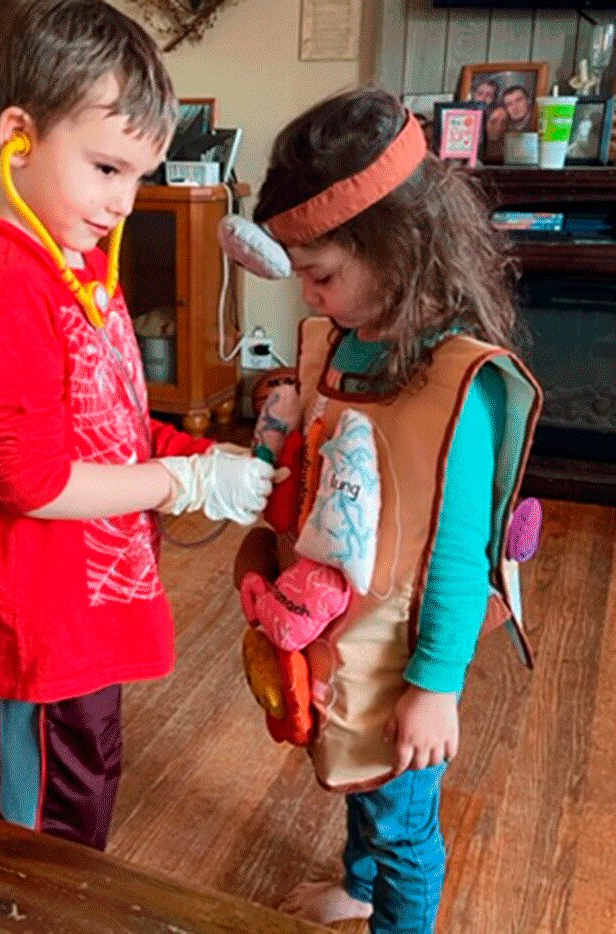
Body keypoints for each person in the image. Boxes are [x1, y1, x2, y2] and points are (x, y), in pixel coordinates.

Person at [0, 0, 279, 852]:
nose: (125, 202)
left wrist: (213, 458)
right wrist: (187, 482)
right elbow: (36, 481)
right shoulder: (3, 292)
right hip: (42, 640)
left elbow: (117, 427)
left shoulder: (80, 270)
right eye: (106, 169)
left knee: (83, 803)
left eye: (140, 175)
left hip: (88, 622)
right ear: (18, 137)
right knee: (42, 845)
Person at [235, 88, 541, 932]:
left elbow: (455, 558)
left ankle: (389, 903)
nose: (310, 299)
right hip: (349, 625)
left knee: (404, 816)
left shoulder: (456, 388)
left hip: (409, 644)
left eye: (322, 275)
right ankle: (360, 883)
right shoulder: (341, 341)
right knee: (356, 760)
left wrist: (435, 687)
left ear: (398, 250)